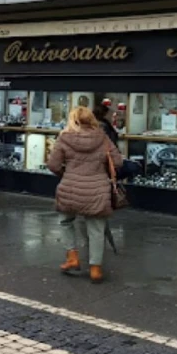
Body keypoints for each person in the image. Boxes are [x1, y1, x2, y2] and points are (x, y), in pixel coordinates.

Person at [47, 106, 123, 284]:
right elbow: (118, 162)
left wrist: (66, 173)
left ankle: (72, 256)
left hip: (70, 187)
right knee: (96, 230)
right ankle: (95, 268)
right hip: (97, 188)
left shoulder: (65, 138)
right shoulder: (102, 138)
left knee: (66, 221)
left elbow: (53, 165)